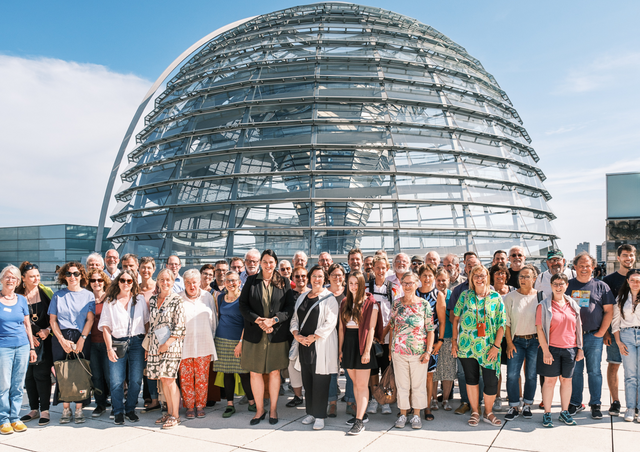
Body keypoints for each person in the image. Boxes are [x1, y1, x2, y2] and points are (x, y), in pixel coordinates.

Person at [239, 249, 295, 426]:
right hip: (254, 334)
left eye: (271, 262)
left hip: (276, 335)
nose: (268, 265)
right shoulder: (251, 281)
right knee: (255, 373)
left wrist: (274, 320)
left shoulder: (284, 282)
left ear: (275, 263)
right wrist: (258, 320)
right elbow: (243, 305)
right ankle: (259, 410)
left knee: (274, 372)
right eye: (265, 262)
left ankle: (273, 410)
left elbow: (289, 308)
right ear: (260, 263)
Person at [452, 265, 505, 427]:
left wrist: (496, 346)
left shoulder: (496, 297)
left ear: (487, 277)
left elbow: (502, 324)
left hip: (489, 347)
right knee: (471, 379)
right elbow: (455, 319)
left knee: (490, 381)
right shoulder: (465, 295)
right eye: (476, 276)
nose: (479, 279)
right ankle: (475, 411)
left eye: (482, 275)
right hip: (467, 347)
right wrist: (454, 342)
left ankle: (488, 412)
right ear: (471, 278)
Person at [291, 265, 339, 430]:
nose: (317, 279)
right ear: (309, 278)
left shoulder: (329, 298)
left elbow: (330, 322)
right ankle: (310, 412)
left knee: (320, 381)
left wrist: (314, 337)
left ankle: (320, 416)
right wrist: (296, 334)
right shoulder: (302, 297)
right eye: (314, 276)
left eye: (320, 276)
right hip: (304, 344)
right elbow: (295, 319)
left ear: (324, 279)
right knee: (308, 379)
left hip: (320, 345)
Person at [567, 252, 614, 419]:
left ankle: (595, 404)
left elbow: (609, 311)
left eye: (588, 265)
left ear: (593, 267)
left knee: (594, 371)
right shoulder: (567, 285)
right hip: (572, 338)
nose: (584, 268)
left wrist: (601, 333)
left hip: (593, 336)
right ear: (575, 267)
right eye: (581, 265)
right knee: (575, 372)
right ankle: (575, 403)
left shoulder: (601, 286)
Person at [98, 270, 149, 425]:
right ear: (118, 282)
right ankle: (118, 410)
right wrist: (108, 348)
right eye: (123, 280)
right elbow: (105, 327)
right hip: (117, 342)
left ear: (134, 282)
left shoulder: (139, 300)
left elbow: (146, 323)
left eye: (129, 281)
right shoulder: (110, 301)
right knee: (116, 380)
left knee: (135, 380)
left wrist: (147, 346)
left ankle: (130, 409)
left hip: (137, 342)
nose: (126, 283)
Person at [48, 262, 96, 424]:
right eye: (68, 274)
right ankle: (66, 409)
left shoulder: (88, 295)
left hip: (82, 336)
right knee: (64, 372)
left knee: (80, 372)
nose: (72, 277)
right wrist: (61, 340)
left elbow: (90, 319)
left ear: (81, 275)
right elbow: (53, 320)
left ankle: (79, 408)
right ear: (64, 276)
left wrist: (82, 339)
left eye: (76, 274)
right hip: (61, 336)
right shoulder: (58, 295)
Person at [536, 273, 584, 427]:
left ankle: (564, 412)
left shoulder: (573, 305)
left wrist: (580, 348)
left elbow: (578, 328)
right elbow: (539, 329)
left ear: (566, 285)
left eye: (561, 284)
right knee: (549, 381)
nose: (558, 287)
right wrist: (546, 351)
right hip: (551, 349)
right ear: (551, 286)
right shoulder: (543, 305)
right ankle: (547, 413)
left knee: (566, 381)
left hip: (570, 349)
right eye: (555, 284)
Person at [389, 271, 435, 430]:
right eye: (405, 283)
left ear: (417, 284)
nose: (407, 286)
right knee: (402, 385)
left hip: (418, 352)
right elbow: (392, 328)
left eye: (411, 283)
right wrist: (390, 349)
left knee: (418, 385)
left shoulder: (424, 304)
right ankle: (403, 414)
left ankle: (416, 415)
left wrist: (428, 351)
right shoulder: (396, 303)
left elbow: (430, 329)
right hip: (399, 352)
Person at [339, 271, 382, 435]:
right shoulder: (344, 302)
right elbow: (341, 330)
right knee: (356, 383)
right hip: (348, 344)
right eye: (351, 283)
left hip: (363, 343)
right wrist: (340, 350)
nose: (354, 286)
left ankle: (359, 422)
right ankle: (361, 415)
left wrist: (366, 351)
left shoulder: (371, 302)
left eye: (357, 283)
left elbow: (371, 328)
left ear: (363, 284)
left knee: (363, 384)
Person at [145, 269, 186, 429]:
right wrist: (150, 346)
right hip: (156, 344)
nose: (165, 282)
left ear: (173, 280)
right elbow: (151, 324)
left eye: (168, 279)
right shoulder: (153, 300)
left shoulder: (177, 300)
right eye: (162, 279)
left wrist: (167, 344)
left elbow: (180, 326)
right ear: (158, 281)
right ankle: (169, 412)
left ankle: (175, 415)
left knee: (169, 379)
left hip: (171, 345)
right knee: (162, 380)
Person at [15, 262, 54, 426]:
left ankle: (45, 409)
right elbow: (16, 321)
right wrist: (30, 336)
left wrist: (47, 330)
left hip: (46, 341)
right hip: (25, 342)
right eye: (32, 276)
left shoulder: (46, 292)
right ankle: (33, 409)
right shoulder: (16, 295)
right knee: (28, 376)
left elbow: (57, 315)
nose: (36, 279)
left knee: (42, 375)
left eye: (38, 276)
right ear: (23, 279)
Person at [0, 265, 37, 435]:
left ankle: (15, 418)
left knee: (18, 384)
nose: (10, 280)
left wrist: (31, 347)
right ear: (1, 279)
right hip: (3, 347)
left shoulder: (22, 300)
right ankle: (3, 419)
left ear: (17, 281)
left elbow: (27, 325)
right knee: (4, 385)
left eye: (13, 277)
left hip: (22, 346)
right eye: (7, 277)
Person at [214, 271, 256, 417]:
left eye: (233, 281)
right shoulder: (220, 298)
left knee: (243, 373)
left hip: (238, 341)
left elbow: (247, 324)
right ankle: (230, 405)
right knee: (227, 373)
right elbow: (219, 317)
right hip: (221, 340)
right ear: (224, 283)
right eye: (227, 281)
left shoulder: (244, 300)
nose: (230, 283)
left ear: (239, 282)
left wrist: (240, 343)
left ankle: (252, 402)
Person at [179, 269, 217, 419]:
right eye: (188, 282)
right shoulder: (178, 298)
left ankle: (200, 405)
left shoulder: (207, 297)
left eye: (194, 282)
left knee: (202, 377)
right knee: (186, 377)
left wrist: (213, 338)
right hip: (185, 344)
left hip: (204, 343)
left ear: (199, 282)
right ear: (184, 283)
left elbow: (213, 319)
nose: (191, 285)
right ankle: (189, 406)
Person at [603, 244, 636, 417]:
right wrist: (606, 332)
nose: (628, 259)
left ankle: (635, 404)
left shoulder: (638, 277)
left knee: (635, 370)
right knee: (614, 365)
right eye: (625, 255)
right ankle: (615, 402)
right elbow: (606, 309)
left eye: (631, 255)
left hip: (635, 332)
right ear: (618, 258)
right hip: (615, 331)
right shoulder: (608, 281)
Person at [503, 264, 540, 420]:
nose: (523, 279)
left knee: (531, 375)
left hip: (535, 341)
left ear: (534, 278)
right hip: (516, 341)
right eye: (521, 276)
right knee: (512, 375)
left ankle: (527, 405)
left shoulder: (540, 296)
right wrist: (509, 343)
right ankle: (513, 406)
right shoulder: (510, 297)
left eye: (527, 276)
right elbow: (506, 322)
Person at [447, 251, 482, 415]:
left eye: (474, 265)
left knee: (481, 371)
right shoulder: (459, 290)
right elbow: (453, 317)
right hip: (464, 338)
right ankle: (465, 402)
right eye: (469, 265)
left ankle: (480, 402)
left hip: (483, 339)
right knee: (462, 373)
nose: (472, 268)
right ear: (465, 269)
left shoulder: (488, 290)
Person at [415, 264, 446, 420]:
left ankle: (427, 408)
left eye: (430, 275)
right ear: (419, 277)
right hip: (412, 340)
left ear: (434, 277)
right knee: (413, 375)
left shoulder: (437, 295)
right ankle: (413, 408)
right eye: (424, 275)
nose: (427, 279)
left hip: (431, 339)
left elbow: (441, 320)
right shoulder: (413, 292)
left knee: (428, 376)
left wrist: (440, 340)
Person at [367, 256, 394, 416]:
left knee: (385, 370)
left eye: (383, 267)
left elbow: (393, 315)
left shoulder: (392, 289)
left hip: (387, 338)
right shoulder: (367, 288)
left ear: (387, 268)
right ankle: (373, 399)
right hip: (371, 339)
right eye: (377, 267)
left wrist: (382, 334)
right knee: (372, 370)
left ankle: (385, 400)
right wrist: (373, 335)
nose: (380, 271)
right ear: (373, 269)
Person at [612, 269, 640, 422]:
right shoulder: (621, 298)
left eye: (639, 280)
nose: (636, 283)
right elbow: (615, 323)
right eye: (633, 280)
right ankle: (630, 408)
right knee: (630, 375)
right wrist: (619, 342)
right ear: (628, 282)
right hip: (627, 336)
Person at [86, 268, 111, 418]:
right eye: (93, 280)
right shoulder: (86, 299)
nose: (96, 283)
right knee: (96, 376)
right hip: (92, 343)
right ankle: (100, 404)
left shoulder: (110, 298)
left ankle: (115, 403)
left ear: (104, 282)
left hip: (107, 343)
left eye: (99, 280)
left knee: (110, 376)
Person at [489, 262, 512, 411]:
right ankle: (497, 397)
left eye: (503, 273)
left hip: (510, 335)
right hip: (493, 336)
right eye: (497, 273)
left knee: (513, 370)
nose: (500, 275)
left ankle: (515, 397)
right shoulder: (488, 292)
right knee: (496, 369)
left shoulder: (513, 291)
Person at [433, 268, 456, 411]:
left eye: (444, 280)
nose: (441, 283)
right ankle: (434, 399)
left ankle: (446, 399)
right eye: (439, 280)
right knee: (434, 372)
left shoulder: (453, 296)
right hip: (433, 338)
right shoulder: (431, 295)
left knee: (448, 371)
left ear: (449, 280)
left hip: (449, 337)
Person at [286, 266, 308, 408]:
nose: (300, 279)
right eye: (297, 276)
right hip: (292, 336)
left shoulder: (313, 294)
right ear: (293, 278)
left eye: (303, 276)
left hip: (310, 337)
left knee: (308, 367)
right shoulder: (288, 295)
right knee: (292, 366)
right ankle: (297, 396)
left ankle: (310, 395)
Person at [138, 256, 158, 409]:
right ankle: (147, 397)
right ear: (139, 268)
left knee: (152, 366)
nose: (146, 270)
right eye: (143, 267)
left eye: (149, 267)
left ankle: (155, 399)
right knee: (143, 368)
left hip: (155, 334)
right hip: (138, 333)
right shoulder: (134, 288)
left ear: (154, 269)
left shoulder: (158, 288)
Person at [326, 263, 346, 417]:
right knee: (332, 371)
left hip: (347, 336)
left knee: (350, 370)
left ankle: (351, 401)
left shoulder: (348, 293)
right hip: (329, 336)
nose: (337, 278)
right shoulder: (324, 293)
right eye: (334, 275)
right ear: (329, 277)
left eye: (340, 275)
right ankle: (332, 402)